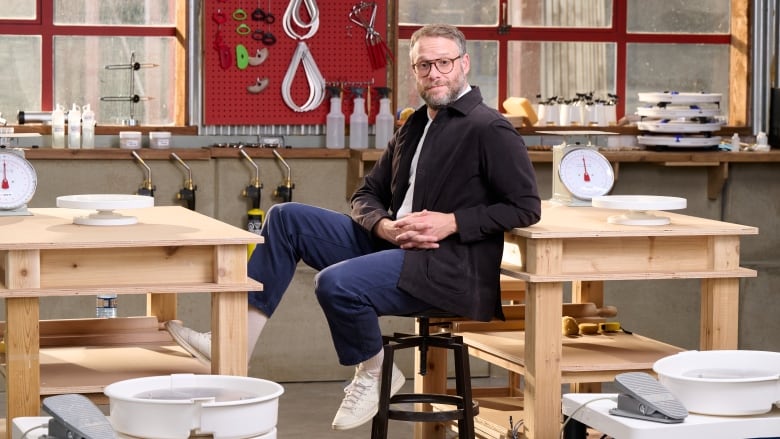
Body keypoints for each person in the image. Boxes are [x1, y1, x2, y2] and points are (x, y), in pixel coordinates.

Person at [165, 23, 541, 431]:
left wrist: (451, 222)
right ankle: (232, 347)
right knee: (284, 217)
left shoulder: (491, 128)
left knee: (336, 282)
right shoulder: (413, 126)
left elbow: (525, 207)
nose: (435, 74)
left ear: (464, 64)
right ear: (414, 71)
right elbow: (365, 194)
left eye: (444, 63)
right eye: (424, 65)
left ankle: (376, 371)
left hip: (445, 266)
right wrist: (383, 226)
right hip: (394, 248)